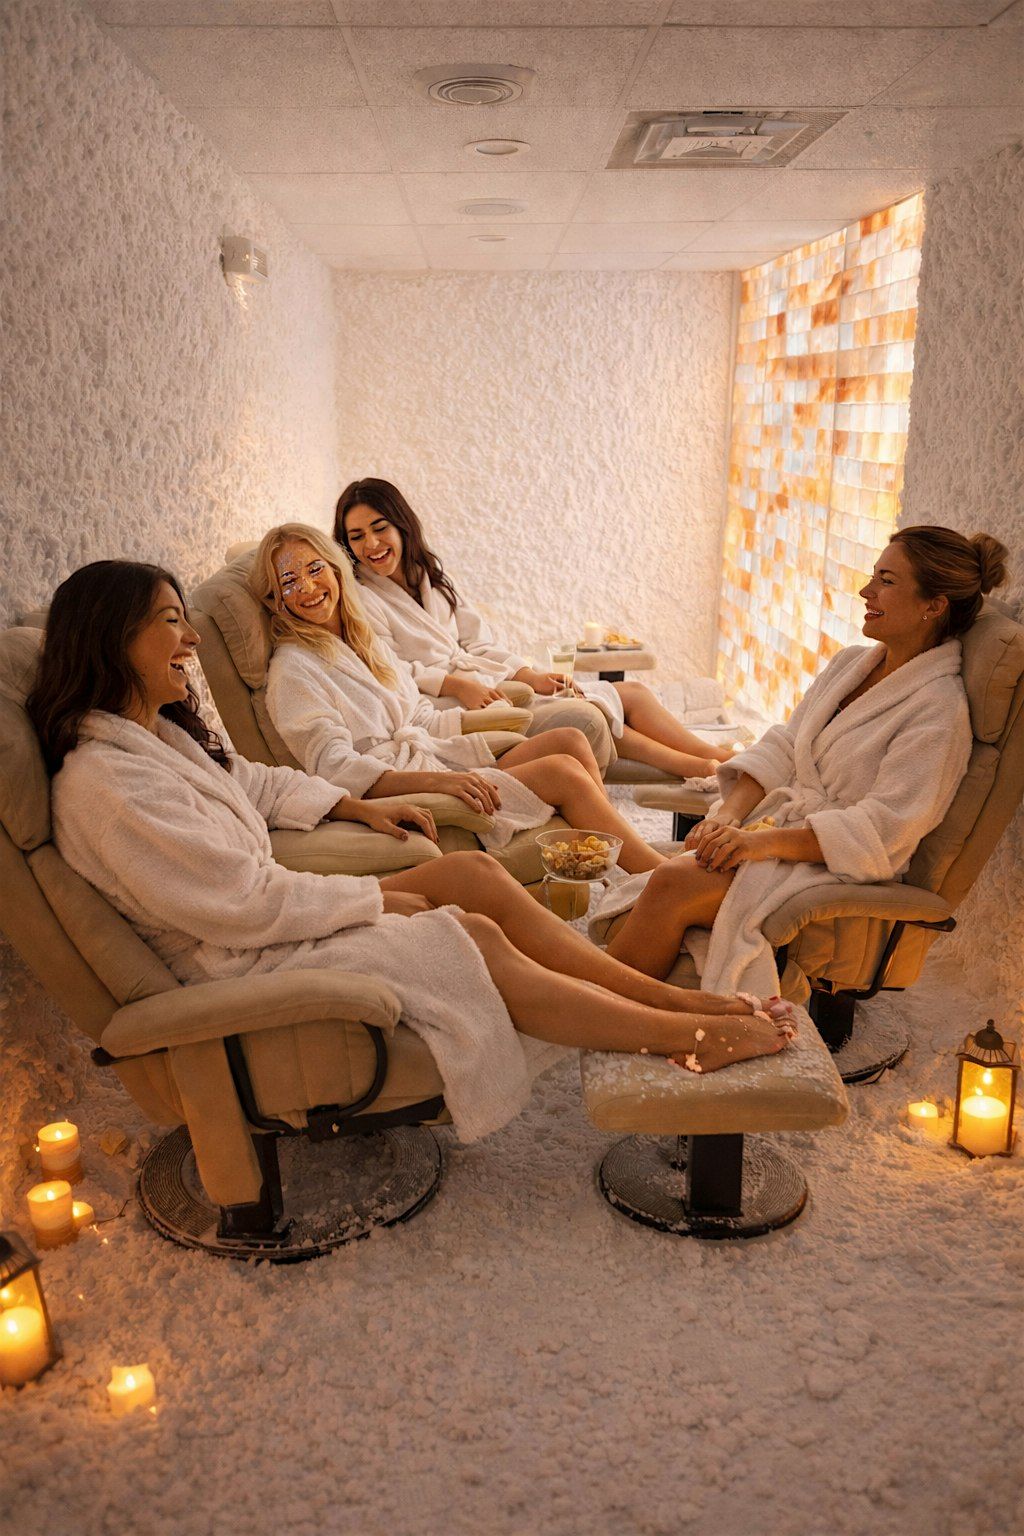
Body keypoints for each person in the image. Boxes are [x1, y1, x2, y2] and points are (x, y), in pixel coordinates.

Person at [30, 564, 792, 1148]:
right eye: (171, 622)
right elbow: (241, 906)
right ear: (112, 637)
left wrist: (354, 804)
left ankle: (659, 995)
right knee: (469, 934)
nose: (192, 640)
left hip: (262, 916)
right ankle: (685, 1032)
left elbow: (256, 781)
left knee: (470, 872)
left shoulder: (159, 738)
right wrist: (376, 898)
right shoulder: (110, 784)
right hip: (239, 960)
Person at [594, 526, 1009, 1004]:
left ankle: (607, 1008)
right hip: (779, 834)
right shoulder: (851, 664)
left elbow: (881, 832)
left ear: (933, 605)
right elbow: (786, 745)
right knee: (670, 877)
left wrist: (757, 844)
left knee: (673, 881)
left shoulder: (938, 711)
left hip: (833, 867)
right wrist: (729, 816)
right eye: (873, 576)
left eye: (887, 581)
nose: (866, 591)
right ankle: (605, 994)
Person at [250, 523, 666, 875]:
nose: (307, 587)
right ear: (275, 599)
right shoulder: (293, 670)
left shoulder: (359, 640)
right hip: (404, 784)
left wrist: (485, 724)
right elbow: (335, 769)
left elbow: (418, 715)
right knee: (561, 772)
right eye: (289, 581)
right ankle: (652, 873)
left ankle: (604, 858)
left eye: (314, 569)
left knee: (569, 740)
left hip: (434, 757)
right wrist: (440, 781)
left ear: (335, 569)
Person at [335, 478, 735, 779]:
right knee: (587, 711)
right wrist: (456, 684)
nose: (371, 544)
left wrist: (529, 675)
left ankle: (714, 755)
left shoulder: (430, 576)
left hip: (487, 682)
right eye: (357, 536)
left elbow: (477, 641)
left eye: (380, 528)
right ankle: (694, 766)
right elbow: (390, 671)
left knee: (633, 693)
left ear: (402, 525)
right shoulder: (362, 599)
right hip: (447, 702)